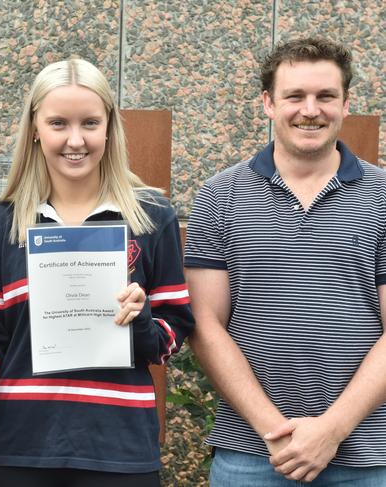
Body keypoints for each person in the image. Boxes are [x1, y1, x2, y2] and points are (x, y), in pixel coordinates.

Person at [0, 58, 194, 486]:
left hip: (119, 450)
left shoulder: (150, 218)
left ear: (109, 127)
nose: (75, 140)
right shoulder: (3, 223)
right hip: (22, 450)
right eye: (58, 123)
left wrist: (141, 320)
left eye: (89, 122)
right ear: (35, 129)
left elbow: (171, 333)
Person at [184, 37, 386, 485]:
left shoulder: (384, 198)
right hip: (252, 454)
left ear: (346, 104)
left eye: (325, 96)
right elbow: (204, 323)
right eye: (294, 96)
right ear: (268, 104)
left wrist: (331, 431)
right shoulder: (221, 197)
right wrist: (275, 431)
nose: (310, 109)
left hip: (368, 456)